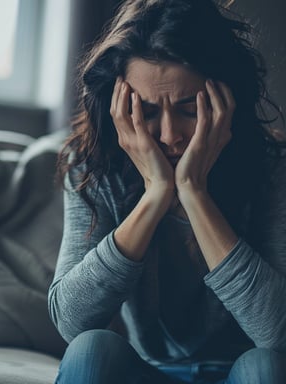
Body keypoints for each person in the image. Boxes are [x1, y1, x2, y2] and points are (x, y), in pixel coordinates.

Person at [48, 0, 286, 382]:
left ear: (227, 103)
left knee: (265, 366)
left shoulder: (275, 166)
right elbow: (71, 320)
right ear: (120, 110)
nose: (169, 136)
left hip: (245, 370)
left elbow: (278, 335)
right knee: (91, 349)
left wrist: (194, 192)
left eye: (190, 110)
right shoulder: (92, 166)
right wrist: (156, 195)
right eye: (147, 112)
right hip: (147, 371)